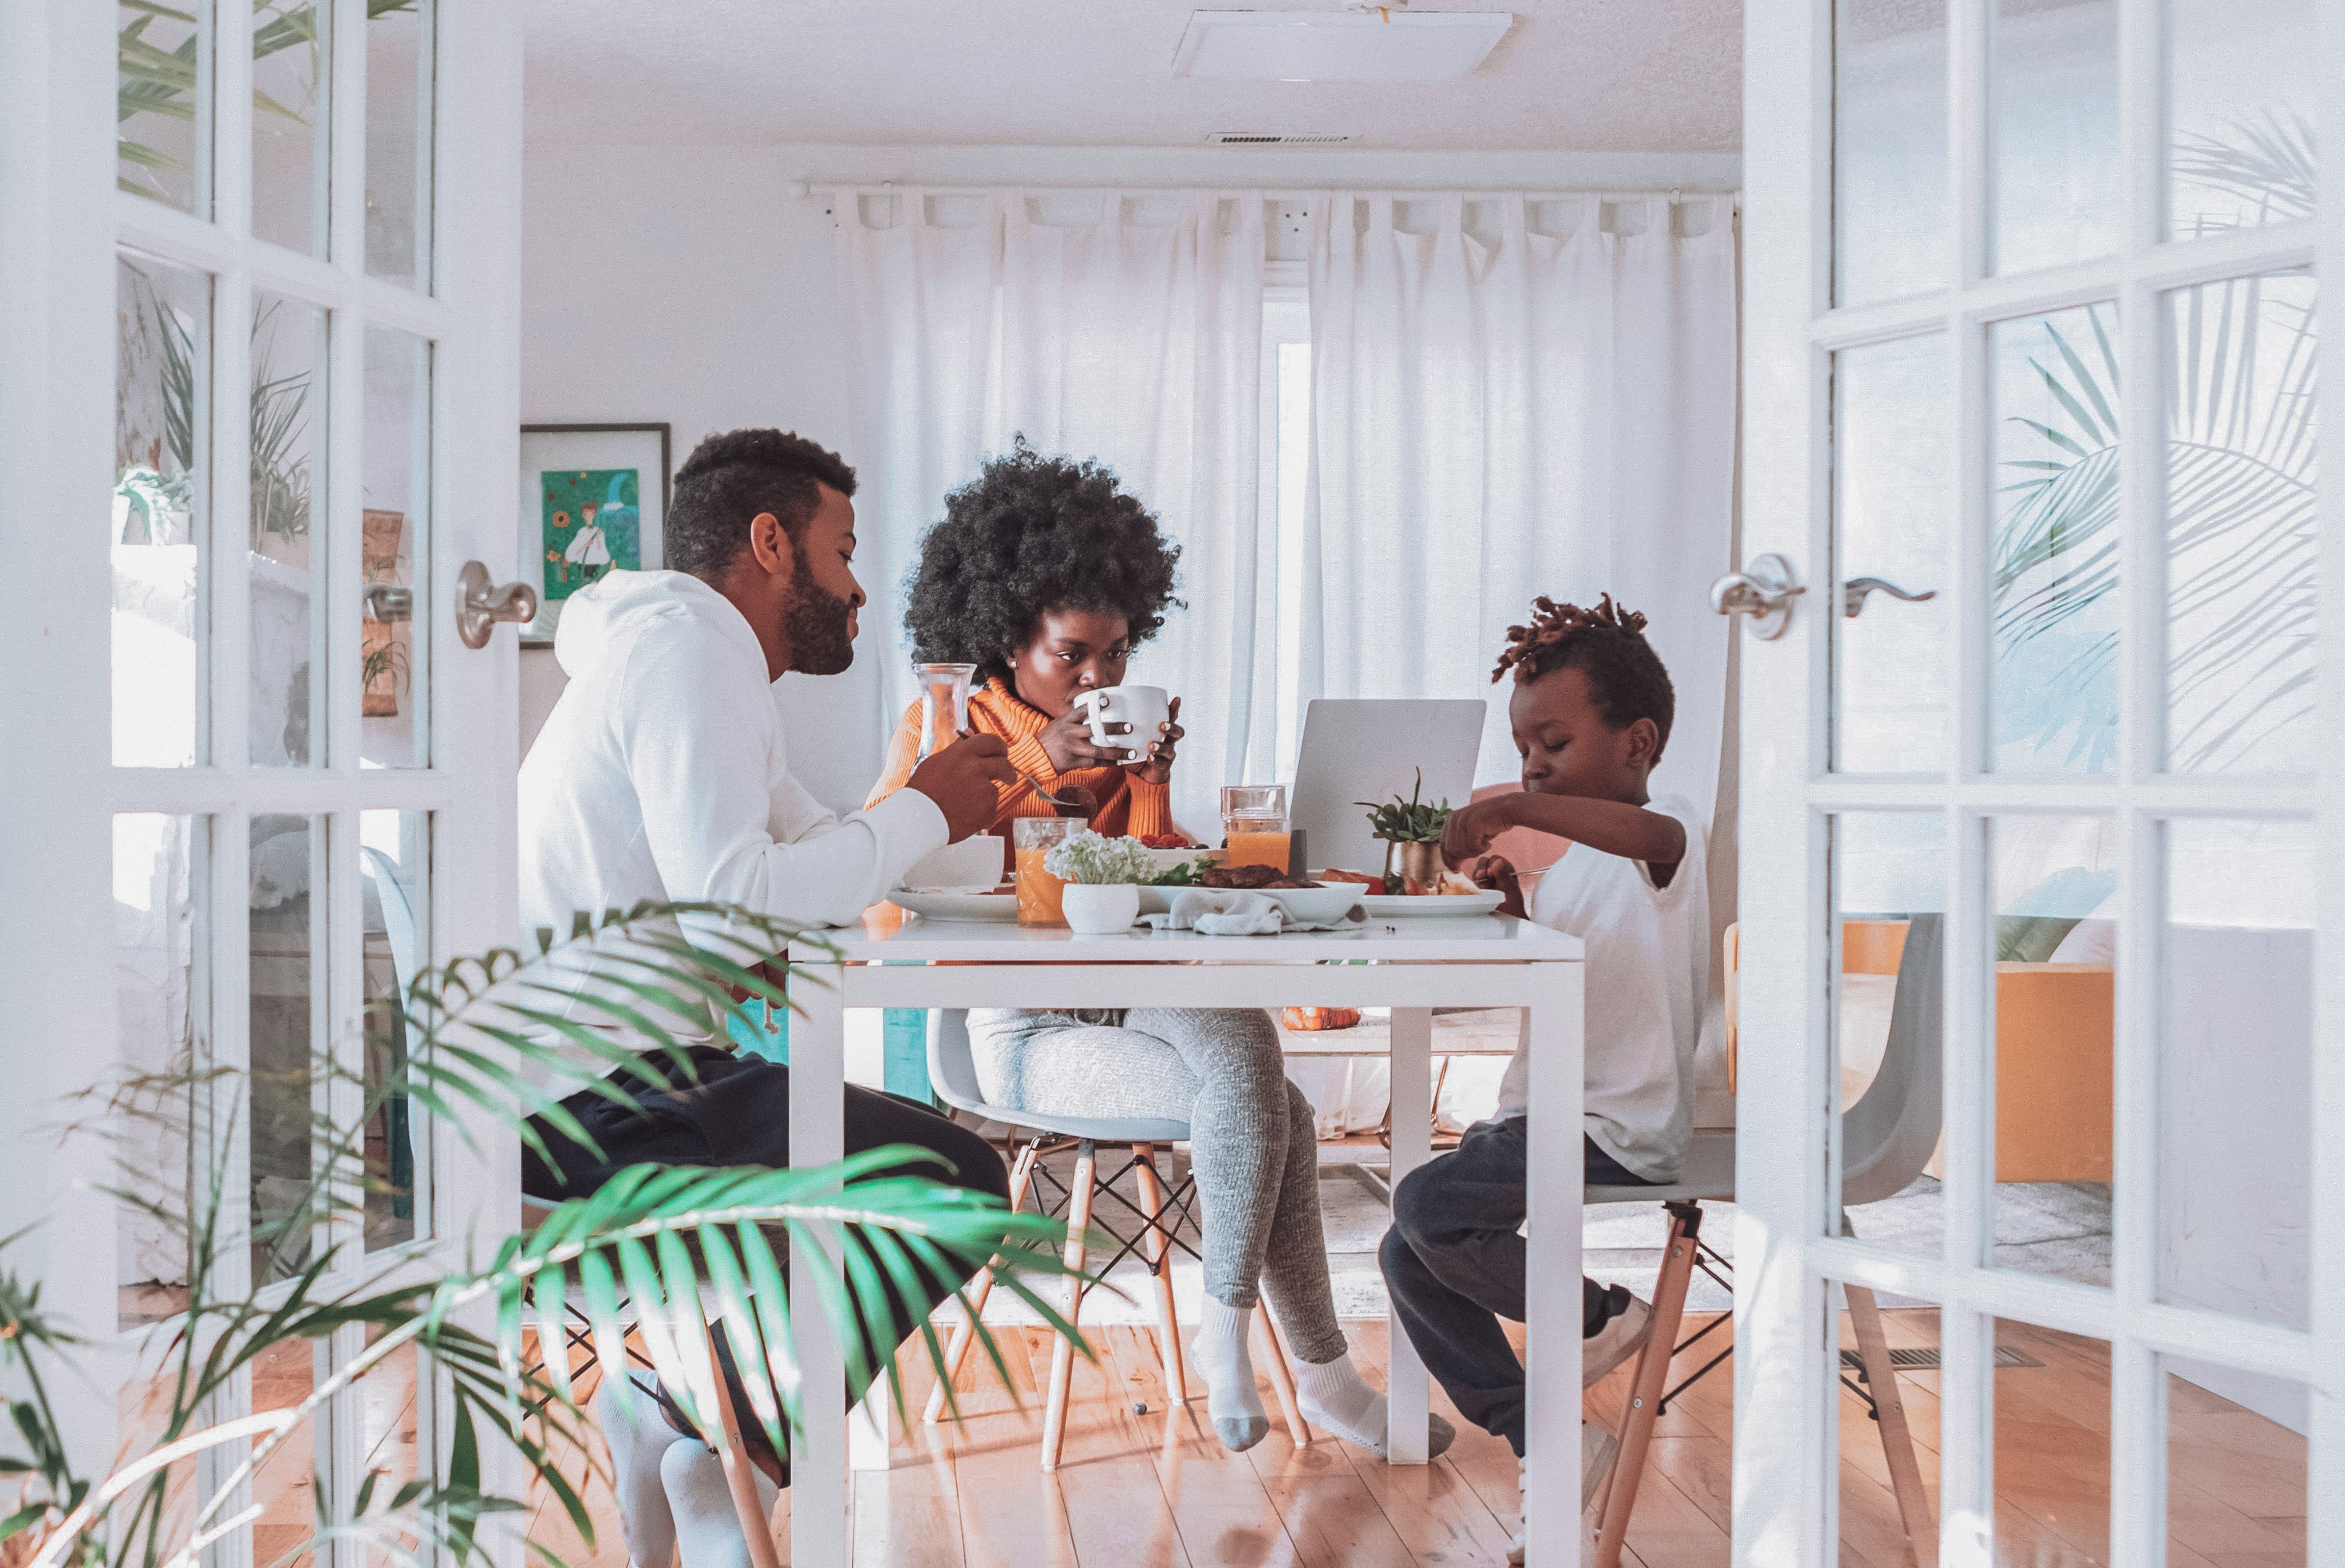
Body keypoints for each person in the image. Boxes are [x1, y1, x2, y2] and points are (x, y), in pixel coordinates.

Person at [868, 443, 1446, 1460]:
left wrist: (1152, 788)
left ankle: (1230, 1334)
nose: (1099, 678)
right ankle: (1309, 1371)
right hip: (1023, 1025)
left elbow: (1141, 887)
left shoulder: (1114, 735)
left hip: (1135, 993)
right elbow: (889, 880)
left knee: (1248, 1054)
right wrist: (1042, 761)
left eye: (1117, 653)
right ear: (1007, 638)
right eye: (1072, 655)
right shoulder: (948, 726)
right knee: (1278, 1106)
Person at [516, 428, 1020, 1567]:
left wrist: (918, 816)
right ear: (768, 541)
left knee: (912, 1173)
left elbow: (799, 857)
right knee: (954, 1182)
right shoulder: (689, 656)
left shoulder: (686, 657)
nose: (853, 589)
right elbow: (741, 892)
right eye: (841, 551)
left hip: (600, 1069)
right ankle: (721, 1439)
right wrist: (927, 808)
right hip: (596, 1098)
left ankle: (680, 1410)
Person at [1377, 594, 1710, 1562]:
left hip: (1615, 1122)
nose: (1531, 767)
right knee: (1405, 1252)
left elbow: (1649, 846)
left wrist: (1518, 810)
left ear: (1638, 744)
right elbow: (1562, 968)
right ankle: (1550, 1439)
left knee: (1429, 1209)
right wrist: (1513, 894)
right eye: (1525, 750)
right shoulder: (1572, 868)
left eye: (1554, 744)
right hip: (1540, 1111)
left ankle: (1605, 1317)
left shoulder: (1667, 832)